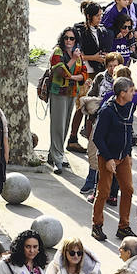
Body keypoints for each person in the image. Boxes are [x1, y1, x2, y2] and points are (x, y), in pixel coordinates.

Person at [91, 77, 137, 241]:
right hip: (107, 157)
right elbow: (98, 138)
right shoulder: (107, 111)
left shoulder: (130, 107)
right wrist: (109, 159)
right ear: (122, 93)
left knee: (128, 189)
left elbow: (128, 133)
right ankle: (97, 225)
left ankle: (123, 227)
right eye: (132, 90)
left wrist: (129, 154)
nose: (135, 93)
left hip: (123, 156)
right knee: (104, 192)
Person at [48, 27, 89, 174]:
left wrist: (73, 77)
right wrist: (72, 60)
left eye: (72, 38)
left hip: (71, 93)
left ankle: (53, 154)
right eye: (66, 38)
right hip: (58, 92)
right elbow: (60, 70)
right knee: (58, 126)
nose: (69, 41)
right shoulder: (58, 52)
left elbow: (84, 74)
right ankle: (58, 159)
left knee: (65, 126)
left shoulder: (78, 53)